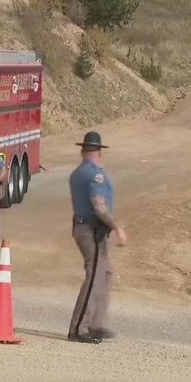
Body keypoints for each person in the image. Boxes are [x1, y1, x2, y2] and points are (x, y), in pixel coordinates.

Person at [67, 131, 126, 344]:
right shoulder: (94, 174)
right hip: (91, 228)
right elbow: (98, 204)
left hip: (87, 228)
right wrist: (117, 228)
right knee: (94, 276)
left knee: (105, 273)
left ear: (83, 150)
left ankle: (96, 323)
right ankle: (79, 327)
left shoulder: (78, 172)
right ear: (99, 151)